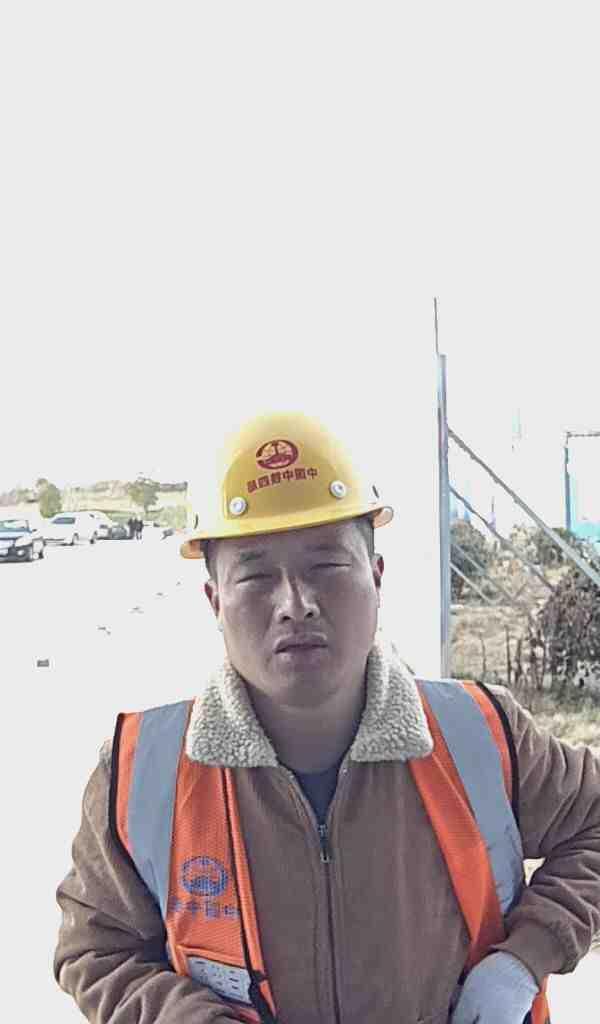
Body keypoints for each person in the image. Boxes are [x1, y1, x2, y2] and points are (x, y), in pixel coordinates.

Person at [54, 412, 600, 1024]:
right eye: (256, 575)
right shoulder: (142, 774)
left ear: (376, 578)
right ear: (215, 600)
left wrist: (524, 958)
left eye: (327, 566)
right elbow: (96, 950)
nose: (296, 604)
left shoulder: (481, 735)